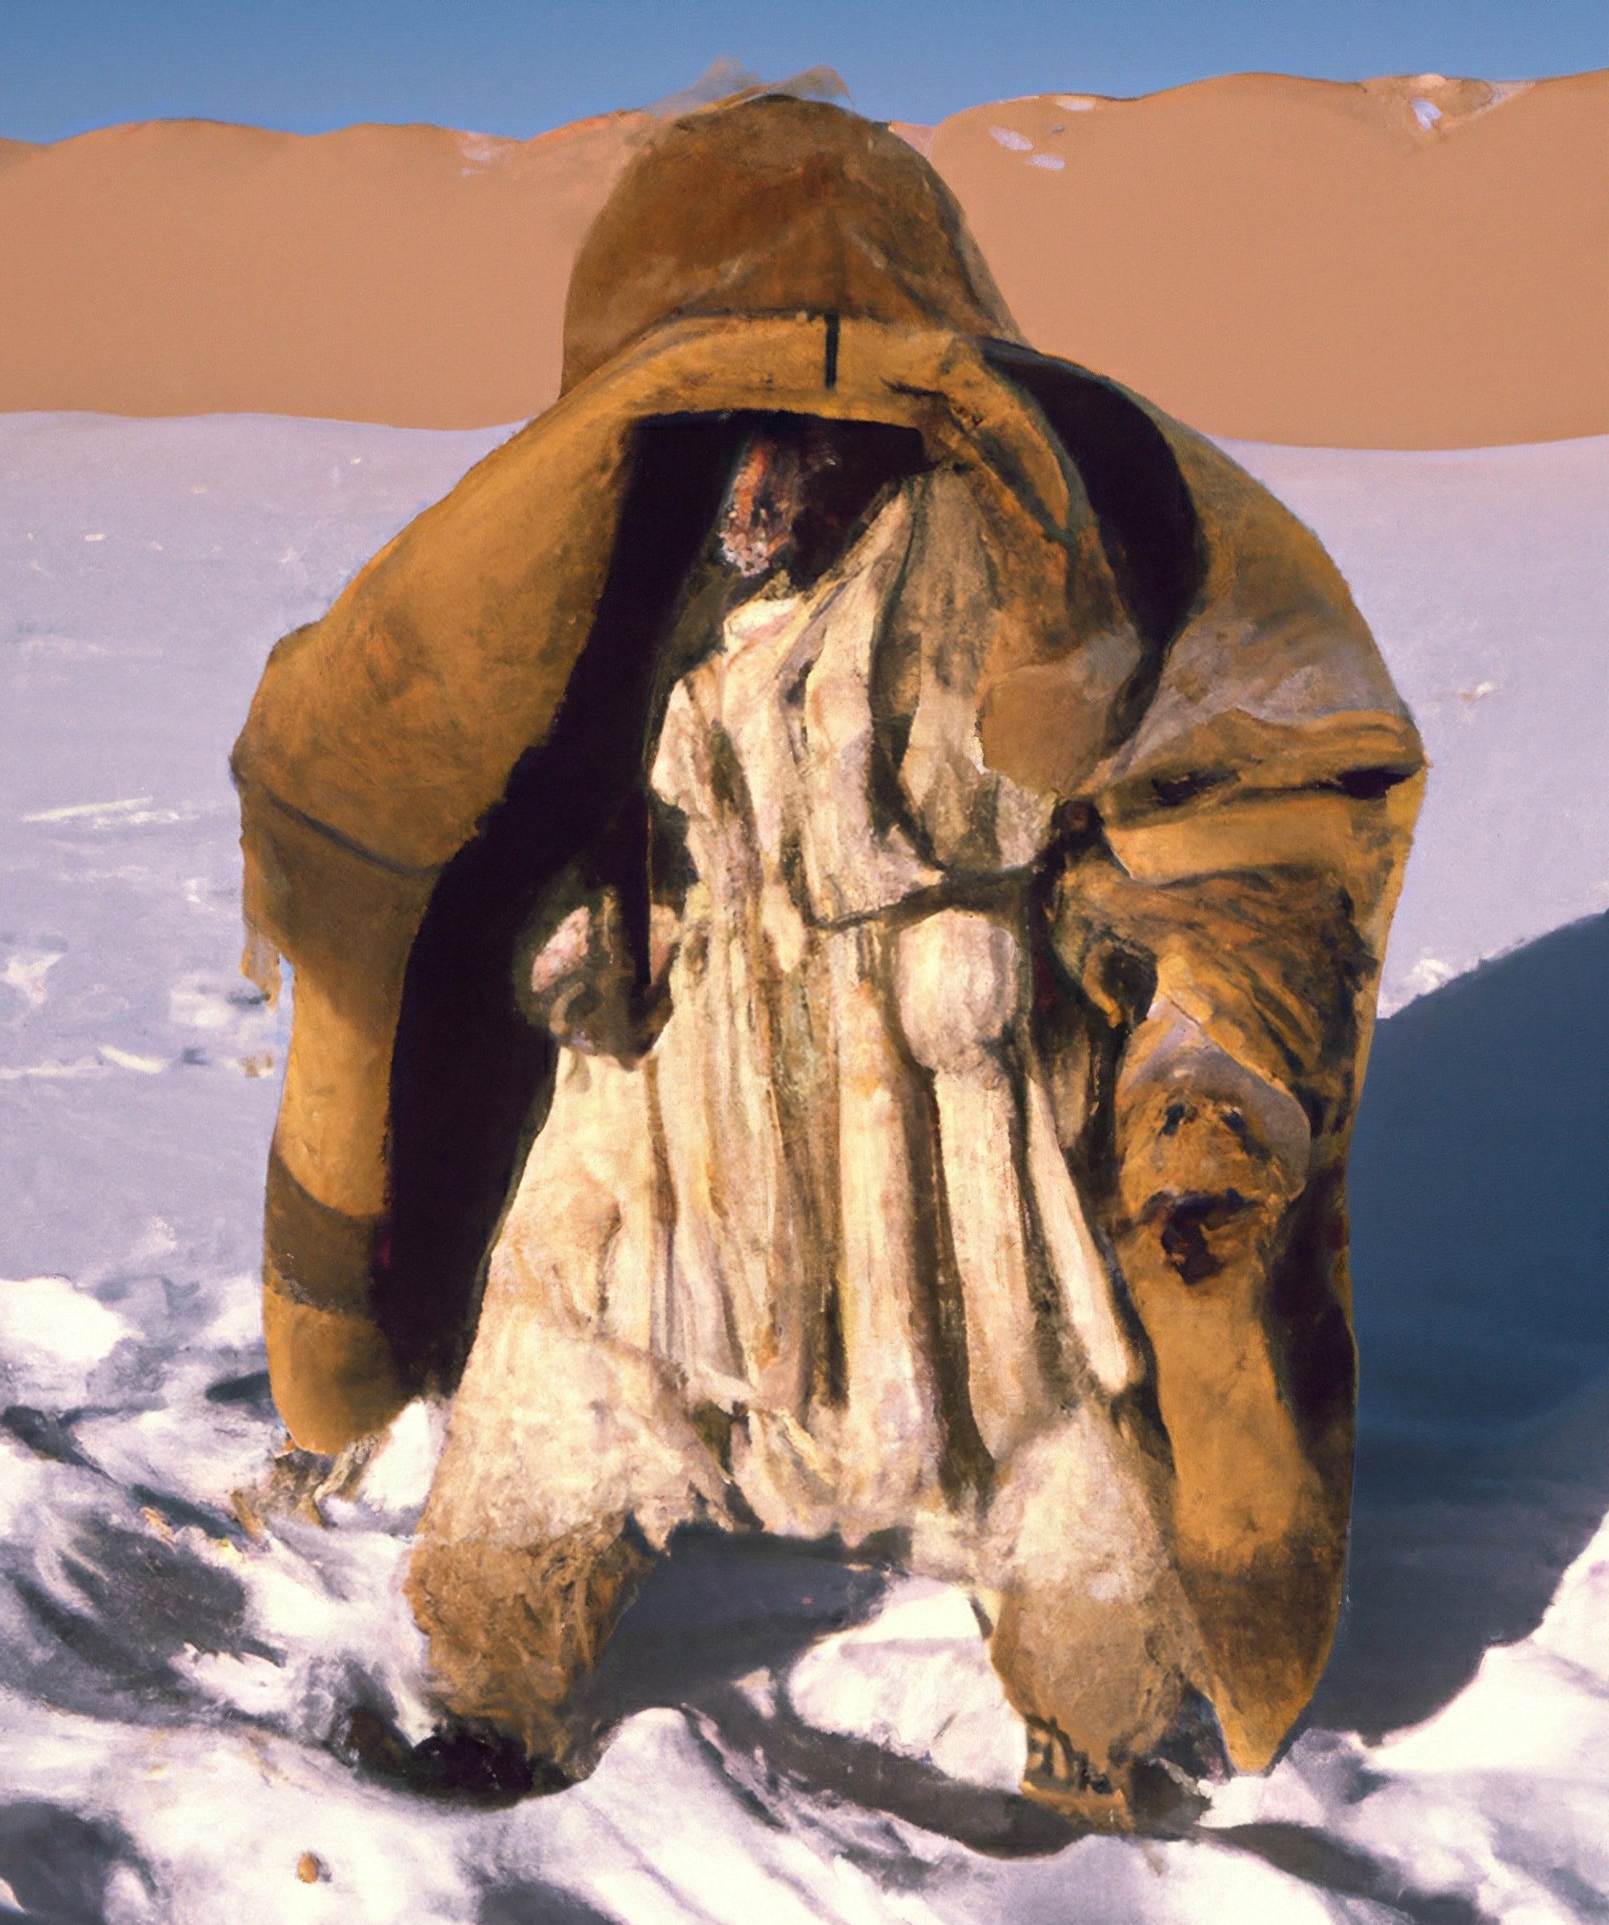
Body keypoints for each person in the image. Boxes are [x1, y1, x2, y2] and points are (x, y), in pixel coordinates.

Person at [230, 93, 1423, 1826]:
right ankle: (495, 1697)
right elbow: (487, 779)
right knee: (566, 1370)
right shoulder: (607, 570)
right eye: (735, 433)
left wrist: (1182, 1037)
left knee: (1046, 1446)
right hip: (672, 1095)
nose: (766, 487)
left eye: (808, 435)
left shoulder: (1024, 562)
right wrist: (576, 926)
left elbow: (1208, 801)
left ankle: (1089, 1743)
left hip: (951, 1122)